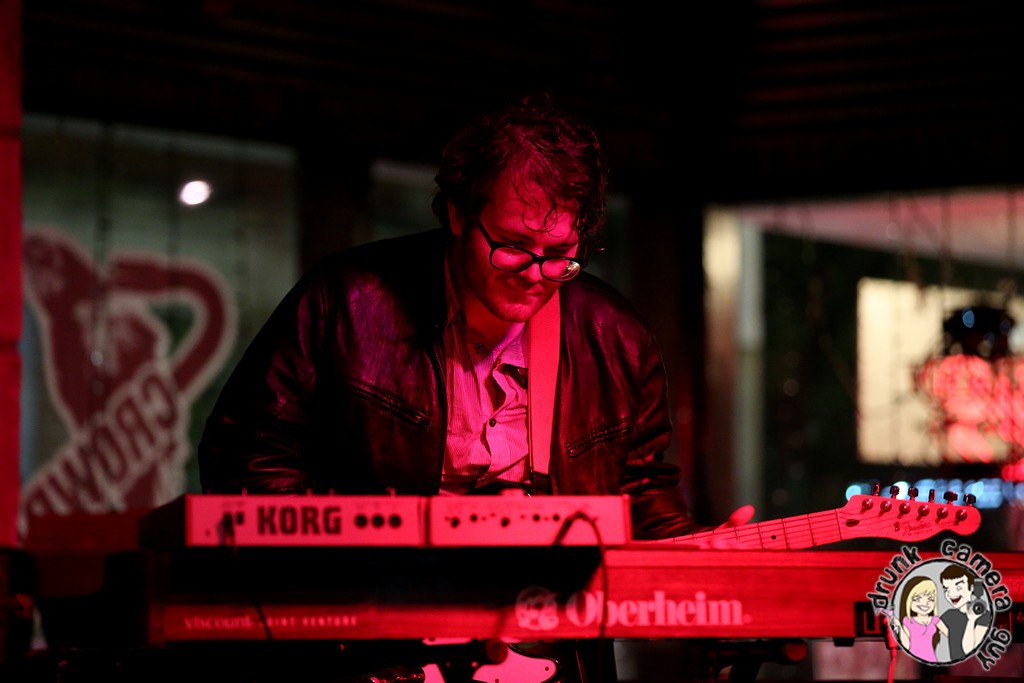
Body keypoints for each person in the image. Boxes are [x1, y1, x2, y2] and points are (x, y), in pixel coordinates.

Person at [197, 93, 741, 682]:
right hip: (368, 650)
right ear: (458, 214)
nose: (535, 274)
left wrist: (706, 554)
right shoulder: (347, 300)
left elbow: (638, 493)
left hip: (551, 653)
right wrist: (349, 583)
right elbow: (246, 455)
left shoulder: (617, 337)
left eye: (560, 255)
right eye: (512, 247)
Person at [939, 564, 992, 662]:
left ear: (971, 588)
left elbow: (968, 650)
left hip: (974, 666)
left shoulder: (983, 616)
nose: (951, 593)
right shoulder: (949, 614)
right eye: (947, 589)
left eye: (959, 588)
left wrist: (971, 620)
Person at [892, 576, 947, 662]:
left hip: (931, 660)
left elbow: (951, 635)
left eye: (931, 599)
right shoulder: (908, 621)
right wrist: (898, 626)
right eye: (917, 599)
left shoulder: (935, 620)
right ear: (908, 600)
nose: (925, 603)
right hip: (912, 660)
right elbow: (906, 645)